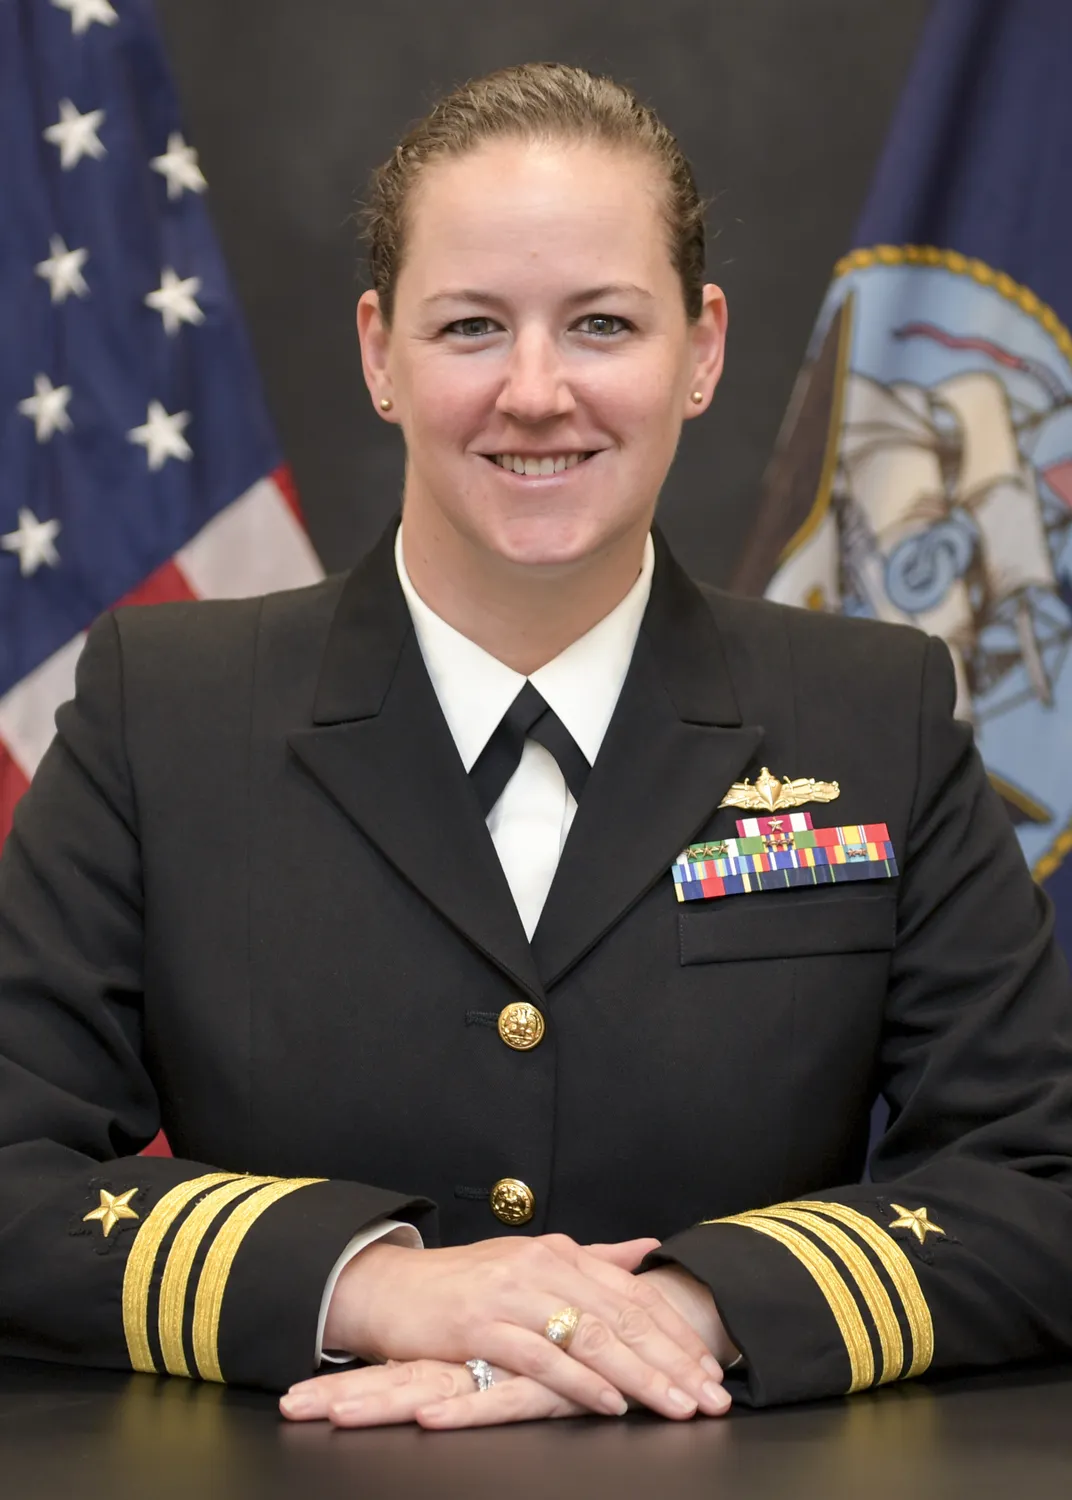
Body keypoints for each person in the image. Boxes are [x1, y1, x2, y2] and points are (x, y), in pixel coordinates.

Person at [1, 62, 1071, 1433]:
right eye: (469, 328)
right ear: (379, 352)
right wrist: (384, 1287)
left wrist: (679, 1312)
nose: (536, 390)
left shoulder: (874, 713)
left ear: (704, 349)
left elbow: (1038, 1180)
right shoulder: (166, 706)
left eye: (604, 323)